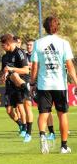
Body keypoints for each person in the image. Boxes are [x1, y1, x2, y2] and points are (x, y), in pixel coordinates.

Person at [30, 16, 77, 154]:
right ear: (58, 27)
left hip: (44, 85)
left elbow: (34, 66)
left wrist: (32, 83)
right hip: (59, 85)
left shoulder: (38, 43)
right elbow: (70, 65)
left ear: (44, 27)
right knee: (62, 115)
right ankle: (63, 147)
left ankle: (43, 137)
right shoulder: (63, 43)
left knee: (44, 113)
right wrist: (75, 81)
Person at [0, 34, 29, 140]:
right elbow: (4, 70)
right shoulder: (5, 56)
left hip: (18, 83)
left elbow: (26, 70)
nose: (2, 48)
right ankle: (20, 124)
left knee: (20, 106)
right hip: (9, 85)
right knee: (8, 110)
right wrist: (2, 77)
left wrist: (12, 69)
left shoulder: (20, 53)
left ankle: (25, 128)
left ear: (8, 44)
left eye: (3, 46)